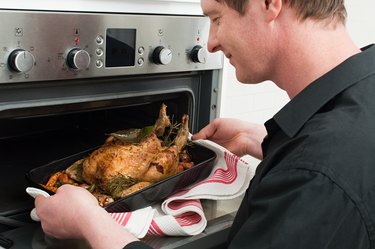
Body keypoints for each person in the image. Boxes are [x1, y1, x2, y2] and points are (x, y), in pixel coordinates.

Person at [35, 0, 375, 248]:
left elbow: (323, 174)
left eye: (217, 18)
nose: (210, 42)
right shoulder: (362, 93)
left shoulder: (317, 174)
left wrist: (91, 222)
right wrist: (271, 142)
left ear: (269, 4)